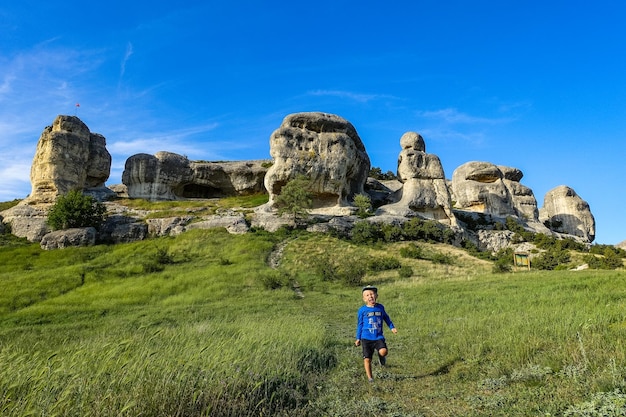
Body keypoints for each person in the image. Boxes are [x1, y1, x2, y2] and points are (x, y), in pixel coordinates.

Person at [355, 285, 397, 382]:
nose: (370, 296)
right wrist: (358, 338)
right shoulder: (362, 310)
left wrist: (392, 327)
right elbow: (360, 324)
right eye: (367, 295)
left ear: (376, 295)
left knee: (384, 351)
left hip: (378, 336)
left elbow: (386, 318)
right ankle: (370, 378)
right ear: (364, 299)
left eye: (372, 294)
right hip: (366, 338)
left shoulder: (380, 307)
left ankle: (381, 358)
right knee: (367, 359)